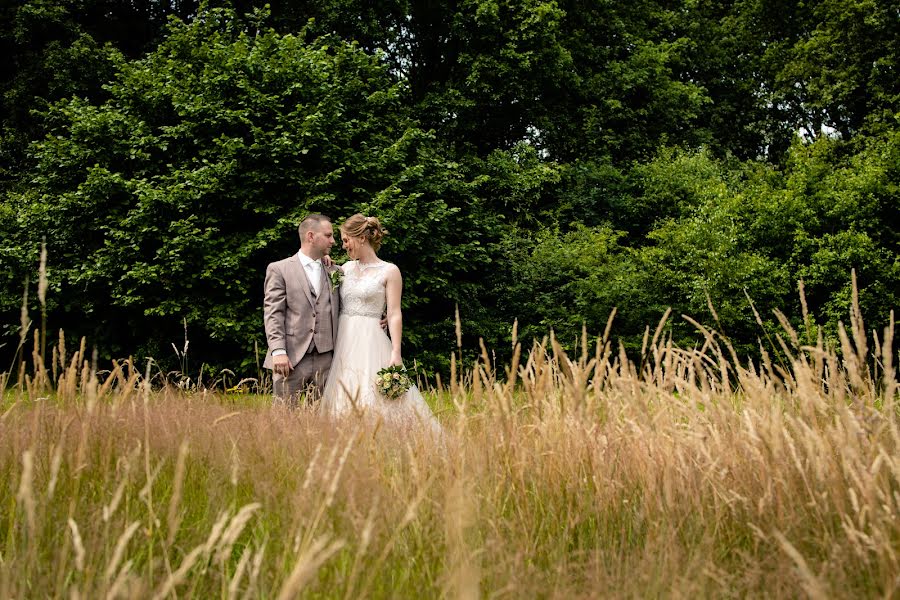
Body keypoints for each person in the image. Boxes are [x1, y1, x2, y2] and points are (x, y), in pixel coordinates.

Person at [320, 214, 440, 432]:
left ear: (362, 238)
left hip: (371, 340)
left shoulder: (389, 271)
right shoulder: (344, 269)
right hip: (344, 341)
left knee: (375, 395)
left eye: (347, 240)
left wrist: (396, 352)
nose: (344, 246)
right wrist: (326, 264)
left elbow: (394, 313)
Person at [263, 213, 341, 407]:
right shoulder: (279, 269)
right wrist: (278, 351)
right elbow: (273, 313)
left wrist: (379, 317)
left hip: (327, 357)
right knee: (284, 418)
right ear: (311, 236)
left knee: (323, 420)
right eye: (328, 235)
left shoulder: (335, 272)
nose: (333, 241)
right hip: (290, 357)